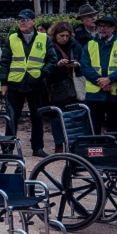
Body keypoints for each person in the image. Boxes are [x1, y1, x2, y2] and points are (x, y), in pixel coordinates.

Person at [0, 9, 49, 157]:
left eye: (25, 20)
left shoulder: (44, 38)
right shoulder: (12, 38)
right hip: (16, 83)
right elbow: (5, 62)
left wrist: (42, 74)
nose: (22, 22)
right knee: (12, 117)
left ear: (33, 21)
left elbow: (52, 60)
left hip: (36, 84)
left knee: (37, 117)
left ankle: (37, 147)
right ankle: (8, 147)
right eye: (20, 20)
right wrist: (4, 83)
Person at [81, 15, 117, 134]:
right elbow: (85, 67)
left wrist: (109, 79)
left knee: (116, 129)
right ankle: (93, 151)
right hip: (94, 95)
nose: (102, 29)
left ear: (113, 28)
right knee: (93, 129)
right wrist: (101, 81)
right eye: (100, 26)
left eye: (106, 26)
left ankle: (114, 152)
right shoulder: (89, 45)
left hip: (115, 94)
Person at [45, 21, 83, 153]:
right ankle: (59, 145)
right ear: (55, 35)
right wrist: (57, 64)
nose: (64, 38)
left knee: (73, 116)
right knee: (56, 116)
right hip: (56, 85)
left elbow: (84, 61)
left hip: (73, 84)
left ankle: (73, 144)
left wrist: (77, 64)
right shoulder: (49, 45)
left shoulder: (75, 45)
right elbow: (45, 66)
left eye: (67, 36)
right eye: (61, 35)